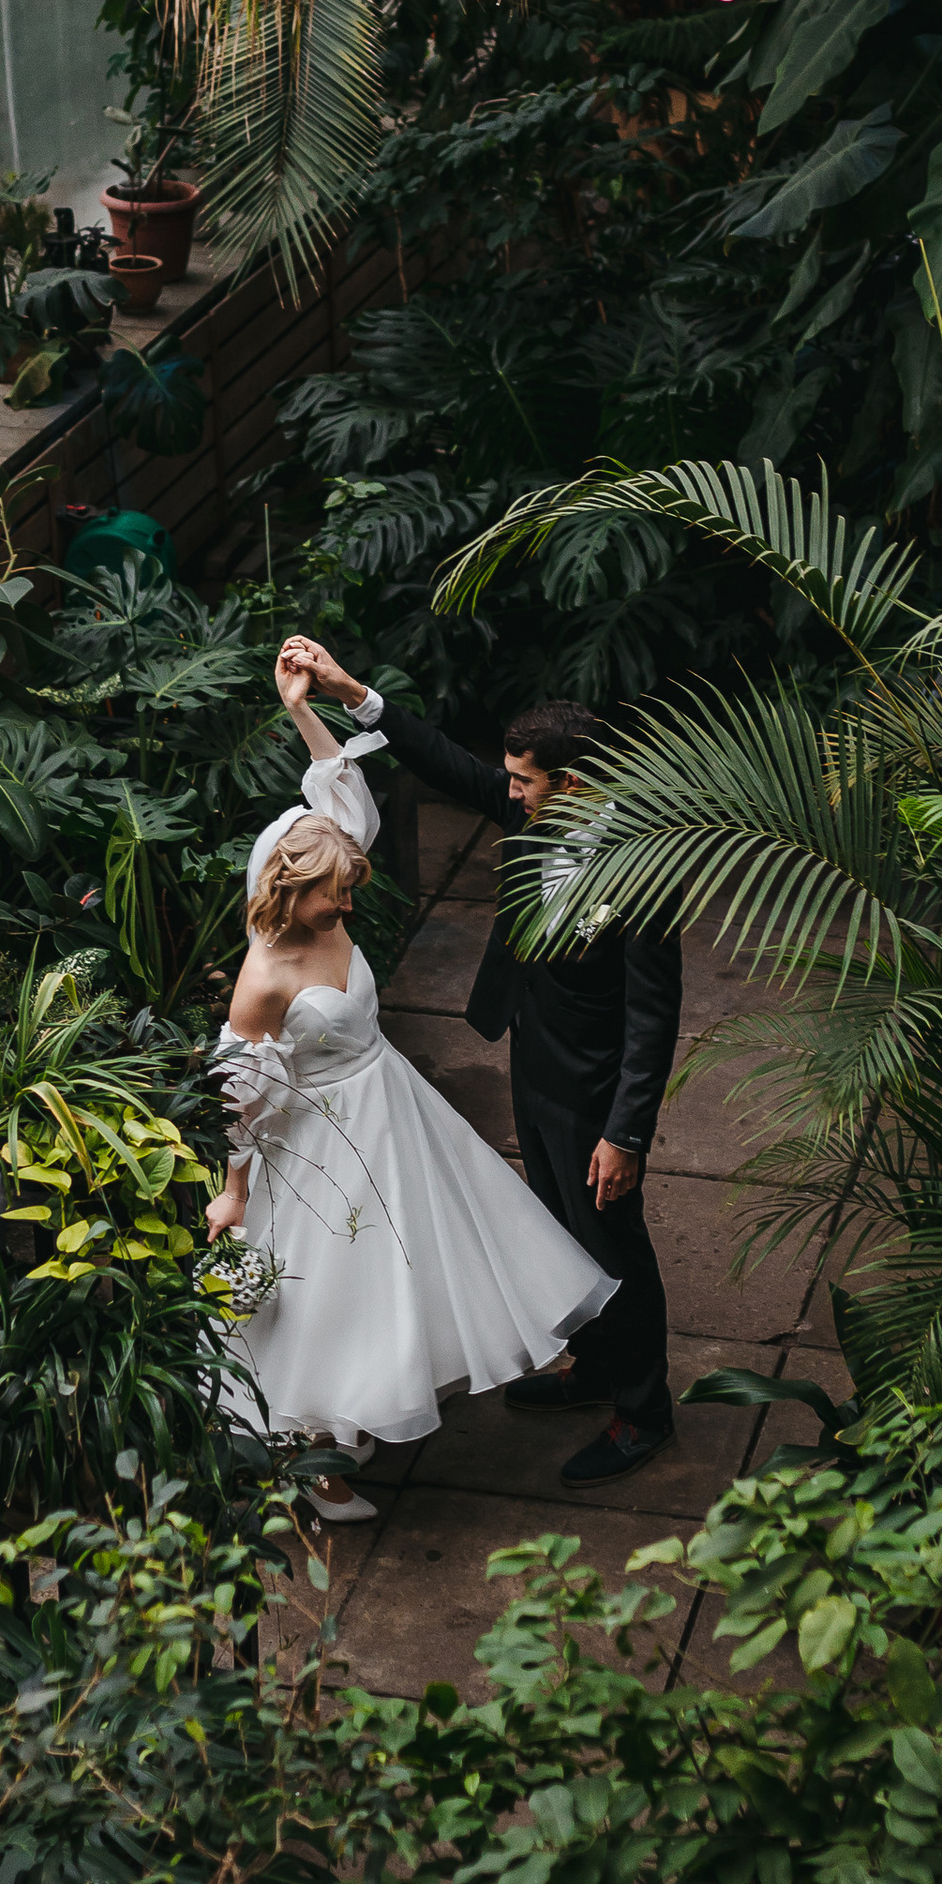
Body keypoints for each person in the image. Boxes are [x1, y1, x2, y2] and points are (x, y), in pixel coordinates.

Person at [204, 649, 616, 1527]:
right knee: (327, 1294)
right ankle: (316, 1460)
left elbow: (338, 796)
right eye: (331, 900)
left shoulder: (327, 868)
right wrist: (235, 1192)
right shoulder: (263, 980)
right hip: (319, 1137)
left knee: (413, 1269)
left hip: (390, 1108)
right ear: (287, 892)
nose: (347, 909)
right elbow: (238, 1090)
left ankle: (385, 1400)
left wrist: (307, 707)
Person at [277, 636, 682, 1485]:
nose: (508, 792)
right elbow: (446, 765)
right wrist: (353, 691)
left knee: (614, 1239)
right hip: (535, 1060)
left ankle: (643, 1411)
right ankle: (596, 1367)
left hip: (597, 1091)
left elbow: (654, 1018)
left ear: (570, 784)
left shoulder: (644, 871)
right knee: (563, 1228)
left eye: (524, 781)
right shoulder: (530, 811)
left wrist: (627, 1135)